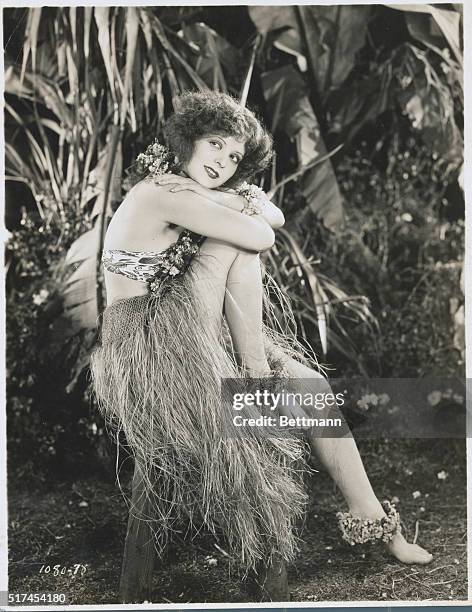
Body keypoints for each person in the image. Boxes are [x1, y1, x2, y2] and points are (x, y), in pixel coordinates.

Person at [90, 91, 432, 596]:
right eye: (214, 144)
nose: (221, 161)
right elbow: (264, 234)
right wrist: (245, 201)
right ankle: (252, 369)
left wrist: (244, 199)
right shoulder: (159, 191)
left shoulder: (189, 189)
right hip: (150, 340)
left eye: (233, 157)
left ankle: (374, 517)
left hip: (192, 329)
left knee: (311, 385)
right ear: (188, 139)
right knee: (238, 244)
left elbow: (273, 215)